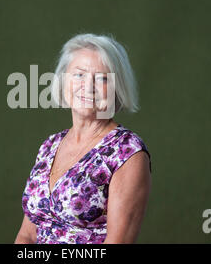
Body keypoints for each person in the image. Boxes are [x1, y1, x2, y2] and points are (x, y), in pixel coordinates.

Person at [14, 33, 152, 244]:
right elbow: (27, 235)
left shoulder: (127, 153)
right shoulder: (50, 146)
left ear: (118, 88)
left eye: (102, 78)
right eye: (79, 75)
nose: (88, 86)